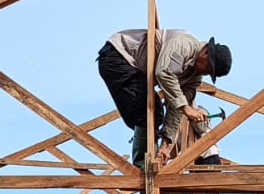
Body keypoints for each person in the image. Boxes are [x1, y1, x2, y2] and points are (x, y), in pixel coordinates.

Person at [96, 29, 232, 163]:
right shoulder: (183, 45)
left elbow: (176, 109)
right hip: (118, 56)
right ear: (206, 53)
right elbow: (164, 73)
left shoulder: (194, 78)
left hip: (132, 69)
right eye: (208, 68)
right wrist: (186, 107)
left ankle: (148, 162)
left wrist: (165, 144)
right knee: (148, 113)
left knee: (151, 116)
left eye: (209, 73)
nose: (205, 73)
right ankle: (143, 168)